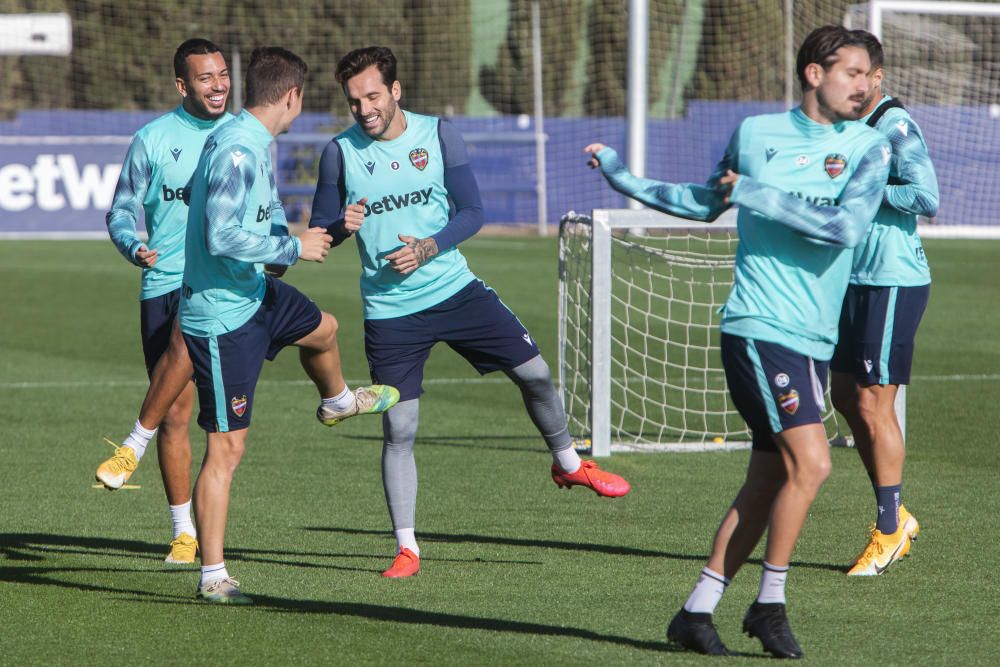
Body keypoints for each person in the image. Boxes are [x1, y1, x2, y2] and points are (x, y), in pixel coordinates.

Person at [585, 25, 890, 658]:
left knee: (768, 479)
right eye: (853, 73)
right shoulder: (755, 135)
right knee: (813, 463)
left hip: (812, 336)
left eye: (869, 76)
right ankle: (770, 604)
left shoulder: (870, 147)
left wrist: (755, 193)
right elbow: (703, 201)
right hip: (758, 326)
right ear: (814, 73)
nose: (865, 87)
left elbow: (843, 228)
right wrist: (623, 179)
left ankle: (696, 613)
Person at [311, 46, 631, 580]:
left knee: (536, 375)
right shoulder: (338, 154)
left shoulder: (438, 135)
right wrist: (342, 224)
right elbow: (324, 230)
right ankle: (407, 548)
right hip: (391, 311)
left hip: (457, 290)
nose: (363, 109)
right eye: (353, 100)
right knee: (401, 430)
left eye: (372, 96)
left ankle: (570, 465)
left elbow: (474, 212)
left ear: (395, 90)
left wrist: (431, 246)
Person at [180, 46, 399, 604]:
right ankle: (213, 576)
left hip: (254, 292)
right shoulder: (237, 151)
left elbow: (266, 234)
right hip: (222, 316)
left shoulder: (253, 141)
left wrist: (319, 232)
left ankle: (337, 400)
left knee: (323, 328)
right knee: (226, 450)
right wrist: (292, 246)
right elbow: (221, 238)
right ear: (292, 96)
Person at [98, 38, 233, 565]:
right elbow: (120, 210)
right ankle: (184, 532)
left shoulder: (243, 137)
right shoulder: (153, 140)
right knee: (176, 413)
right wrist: (134, 245)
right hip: (165, 286)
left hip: (224, 286)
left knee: (224, 423)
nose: (219, 84)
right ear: (183, 85)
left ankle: (135, 445)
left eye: (223, 74)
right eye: (206, 77)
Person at [830, 30, 938, 577]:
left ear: (878, 76)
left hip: (892, 279)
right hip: (853, 278)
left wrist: (863, 191)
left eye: (858, 73)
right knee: (845, 393)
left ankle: (889, 529)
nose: (850, 82)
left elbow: (926, 196)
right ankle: (897, 513)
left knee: (875, 402)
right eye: (840, 71)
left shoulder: (895, 125)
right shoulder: (847, 125)